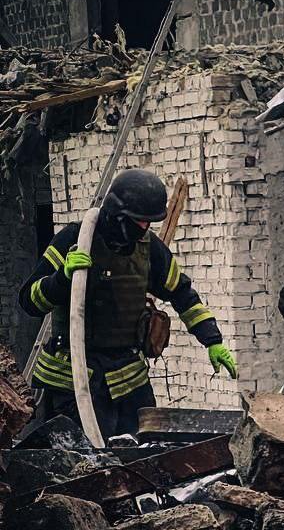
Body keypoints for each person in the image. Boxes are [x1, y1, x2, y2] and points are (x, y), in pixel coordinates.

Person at [18, 168, 237, 438]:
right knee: (81, 456)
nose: (144, 228)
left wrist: (212, 340)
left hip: (128, 380)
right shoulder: (74, 239)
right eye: (140, 221)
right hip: (73, 381)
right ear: (117, 213)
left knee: (146, 449)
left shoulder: (149, 248)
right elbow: (29, 301)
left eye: (149, 222)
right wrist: (62, 279)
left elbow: (182, 294)